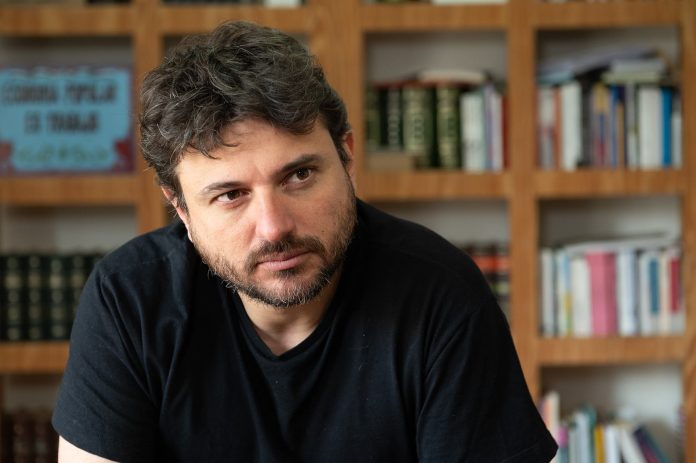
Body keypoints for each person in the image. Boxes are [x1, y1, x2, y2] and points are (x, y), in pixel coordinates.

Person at [52, 20, 558, 463]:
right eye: (230, 195)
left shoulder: (441, 295)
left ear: (347, 159)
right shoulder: (129, 298)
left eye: (299, 176)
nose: (274, 227)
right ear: (181, 208)